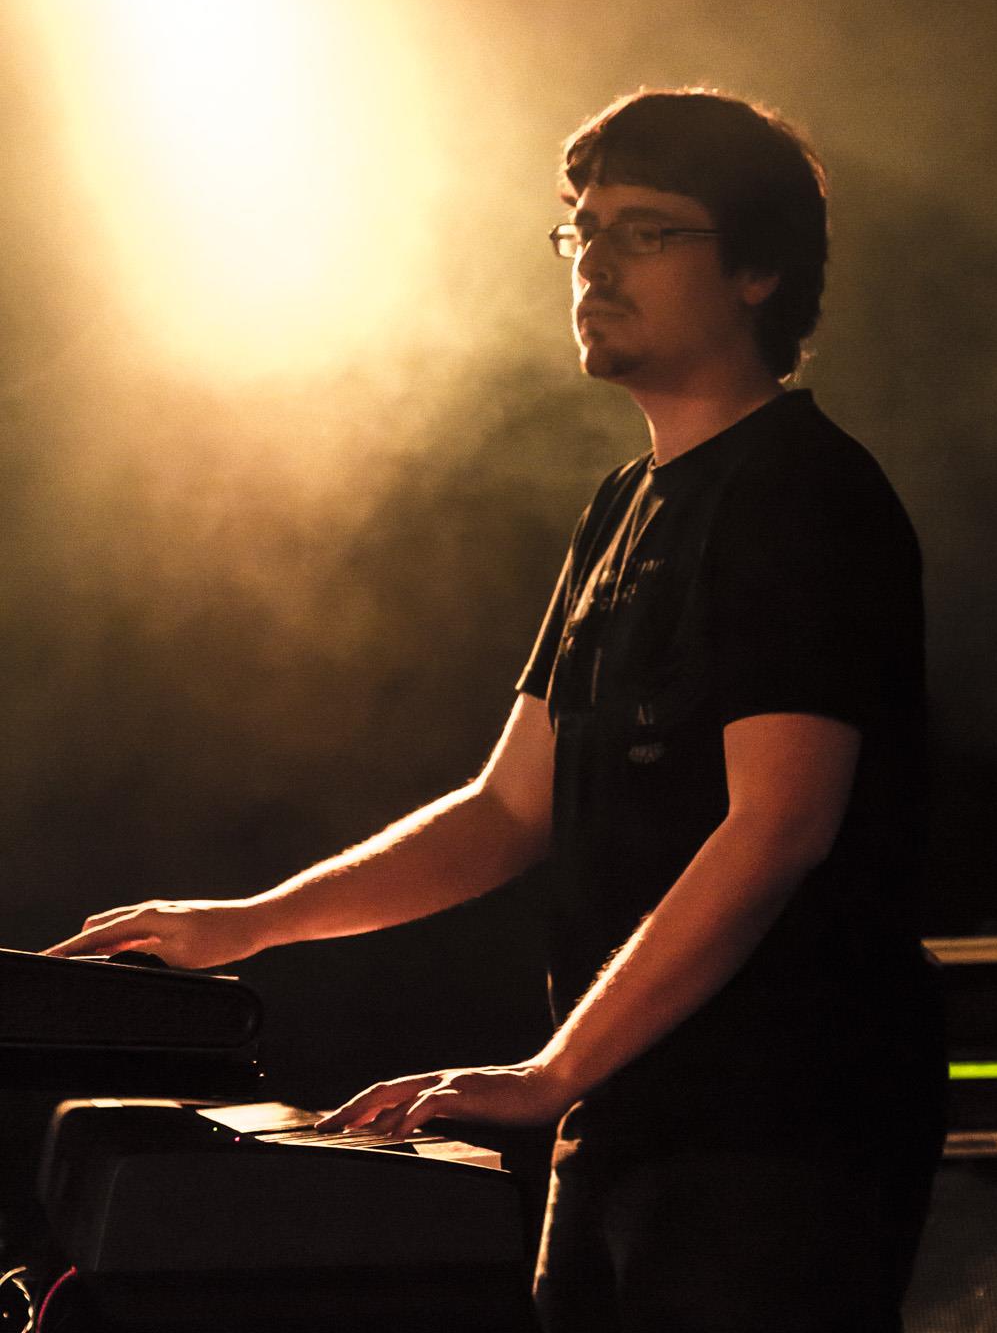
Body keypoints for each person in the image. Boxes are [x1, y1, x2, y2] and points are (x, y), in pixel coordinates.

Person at [48, 88, 946, 1332]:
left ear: (757, 270)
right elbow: (508, 807)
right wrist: (250, 923)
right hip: (625, 1114)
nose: (595, 264)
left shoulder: (802, 494)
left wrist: (550, 1068)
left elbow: (776, 825)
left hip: (780, 1122)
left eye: (645, 231)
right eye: (583, 230)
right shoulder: (621, 504)